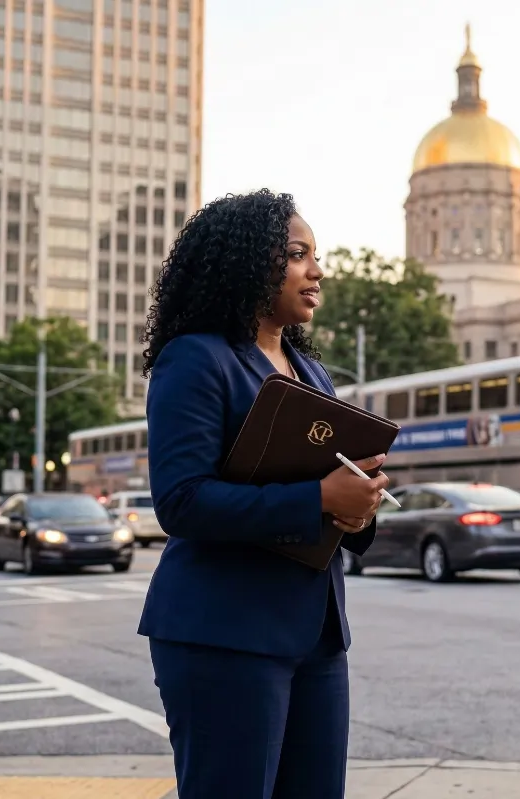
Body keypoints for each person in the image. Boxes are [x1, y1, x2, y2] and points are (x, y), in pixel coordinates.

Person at [138, 189, 390, 799]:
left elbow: (326, 485)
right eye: (298, 255)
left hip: (316, 635)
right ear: (249, 262)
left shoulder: (311, 370)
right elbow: (181, 501)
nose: (317, 271)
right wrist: (320, 500)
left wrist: (358, 508)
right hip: (223, 630)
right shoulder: (196, 359)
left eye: (316, 256)